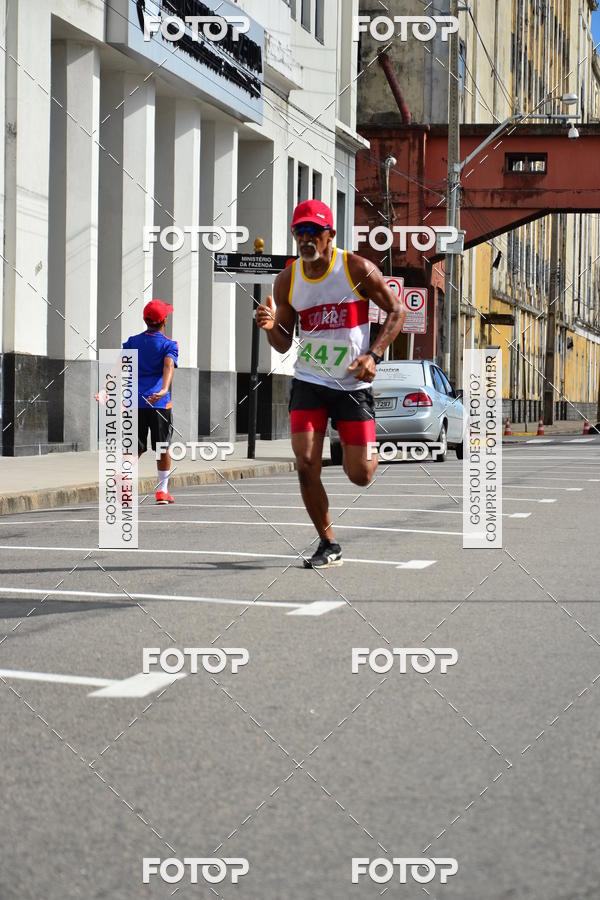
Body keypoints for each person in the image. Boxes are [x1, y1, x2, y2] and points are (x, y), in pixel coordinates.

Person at [256, 199, 405, 568]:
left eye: (313, 233)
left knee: (361, 474)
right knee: (306, 462)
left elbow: (397, 310)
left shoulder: (355, 268)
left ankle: (364, 449)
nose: (305, 240)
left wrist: (374, 354)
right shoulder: (288, 279)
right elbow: (285, 342)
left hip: (353, 385)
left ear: (330, 235)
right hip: (309, 380)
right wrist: (271, 327)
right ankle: (328, 543)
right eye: (299, 233)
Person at [122, 299, 179, 505]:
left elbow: (121, 365)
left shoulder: (132, 342)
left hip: (134, 401)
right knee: (162, 447)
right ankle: (162, 491)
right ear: (163, 321)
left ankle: (125, 487)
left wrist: (107, 389)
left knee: (133, 448)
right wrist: (164, 389)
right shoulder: (168, 344)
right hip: (159, 403)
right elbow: (168, 366)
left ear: (145, 320)